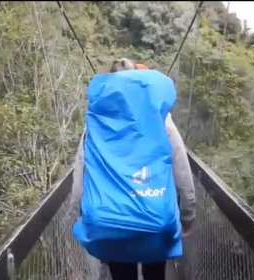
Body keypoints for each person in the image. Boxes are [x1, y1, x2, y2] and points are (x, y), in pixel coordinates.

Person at [70, 58, 195, 280]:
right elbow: (182, 171)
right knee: (155, 274)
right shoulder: (161, 119)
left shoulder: (96, 124)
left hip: (110, 221)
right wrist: (187, 215)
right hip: (156, 219)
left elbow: (80, 174)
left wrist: (82, 215)